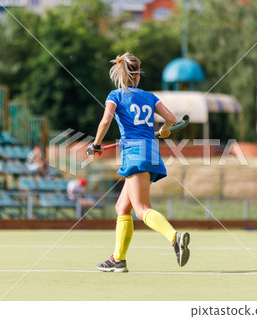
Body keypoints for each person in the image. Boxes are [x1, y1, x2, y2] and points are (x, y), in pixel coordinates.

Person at [87, 52, 190, 272]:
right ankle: (118, 259)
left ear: (122, 75)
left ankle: (175, 237)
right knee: (122, 207)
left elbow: (106, 120)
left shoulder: (115, 95)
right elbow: (171, 118)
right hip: (151, 151)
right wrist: (164, 130)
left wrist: (95, 145)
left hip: (135, 154)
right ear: (137, 76)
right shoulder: (150, 97)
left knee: (142, 209)